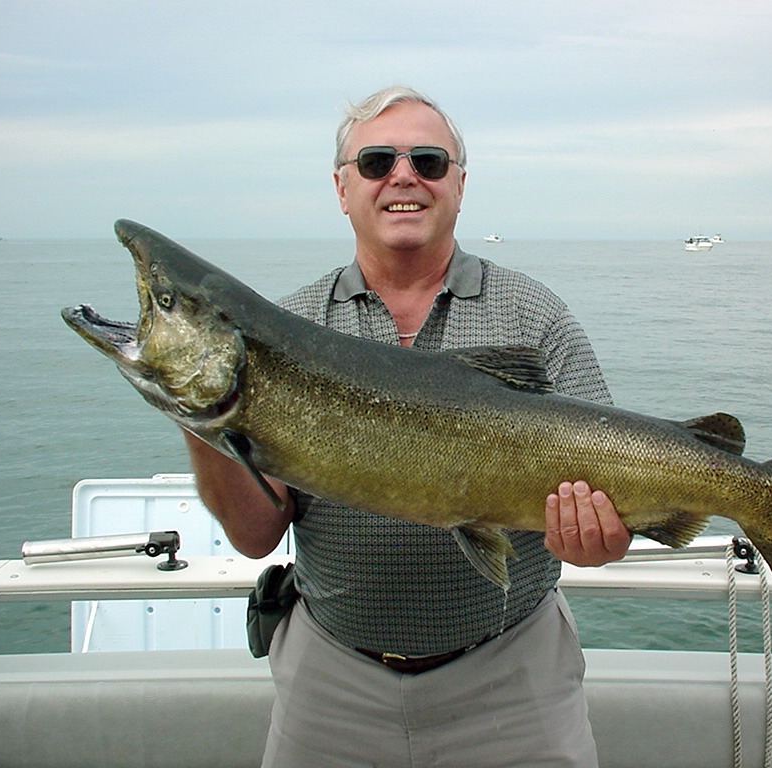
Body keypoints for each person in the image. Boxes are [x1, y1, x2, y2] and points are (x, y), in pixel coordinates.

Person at [182, 85, 631, 768]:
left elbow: (601, 525)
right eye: (375, 162)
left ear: (459, 183)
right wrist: (202, 416)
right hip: (330, 685)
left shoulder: (536, 317)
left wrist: (597, 541)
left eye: (428, 159)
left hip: (515, 680)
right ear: (341, 188)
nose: (403, 176)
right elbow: (254, 535)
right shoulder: (288, 331)